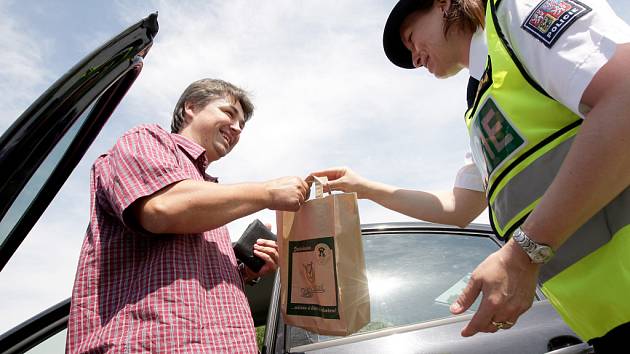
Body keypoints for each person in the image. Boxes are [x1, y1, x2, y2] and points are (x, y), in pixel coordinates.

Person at [312, 0, 630, 351]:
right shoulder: (480, 104)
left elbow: (625, 94)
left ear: (445, 4)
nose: (415, 58)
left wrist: (522, 254)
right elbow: (458, 208)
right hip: (607, 317)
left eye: (412, 38)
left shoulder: (514, 12)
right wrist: (366, 188)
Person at [66, 78, 310, 353]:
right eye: (229, 113)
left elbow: (188, 280)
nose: (237, 128)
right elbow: (161, 208)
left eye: (242, 124)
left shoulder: (209, 194)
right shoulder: (146, 139)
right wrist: (267, 193)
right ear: (190, 107)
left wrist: (246, 271)